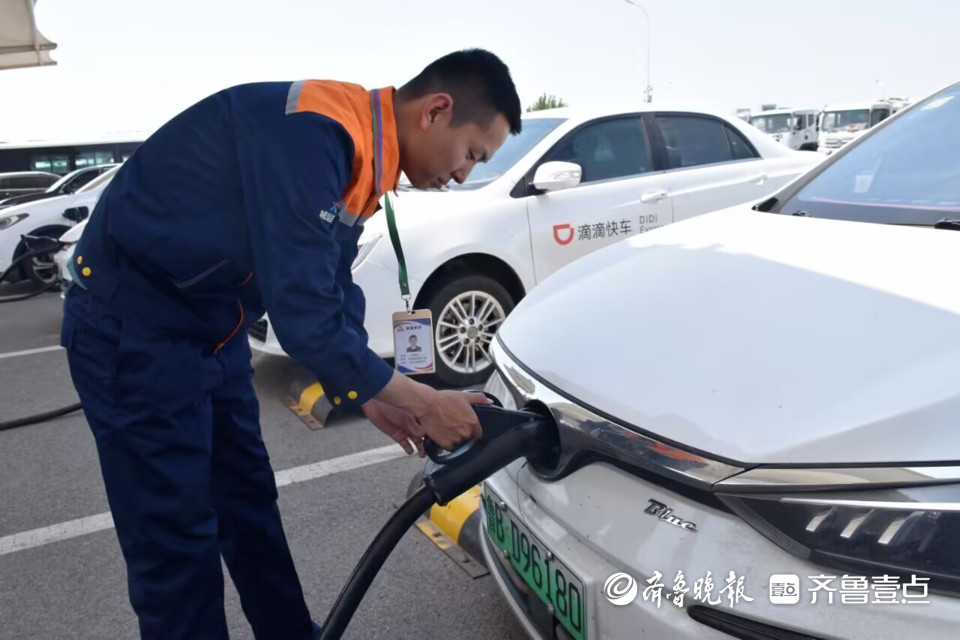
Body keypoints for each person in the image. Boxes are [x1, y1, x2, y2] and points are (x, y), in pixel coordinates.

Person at [60, 49, 522, 640]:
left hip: (212, 331)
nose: (463, 174)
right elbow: (305, 318)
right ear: (436, 111)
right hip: (134, 329)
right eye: (472, 154)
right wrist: (427, 403)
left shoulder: (362, 150)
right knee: (176, 540)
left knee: (247, 503)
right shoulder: (315, 133)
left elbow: (330, 285)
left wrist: (368, 392)